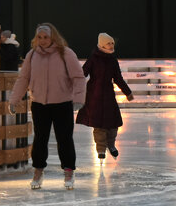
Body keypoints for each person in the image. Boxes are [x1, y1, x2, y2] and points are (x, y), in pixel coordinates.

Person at [9, 22, 86, 189]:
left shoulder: (65, 53)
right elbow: (23, 79)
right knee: (40, 139)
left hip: (62, 103)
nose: (42, 40)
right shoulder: (32, 55)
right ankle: (38, 170)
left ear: (53, 37)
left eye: (46, 37)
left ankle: (68, 171)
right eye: (39, 37)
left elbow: (78, 77)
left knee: (64, 139)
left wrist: (79, 98)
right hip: (39, 104)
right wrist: (14, 100)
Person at [76, 32, 134, 160]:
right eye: (109, 43)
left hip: (108, 96)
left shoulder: (113, 60)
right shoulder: (93, 59)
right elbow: (82, 74)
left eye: (112, 43)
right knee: (99, 125)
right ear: (102, 45)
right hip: (94, 97)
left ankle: (111, 145)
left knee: (113, 123)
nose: (112, 45)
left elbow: (118, 78)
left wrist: (127, 92)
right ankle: (101, 149)